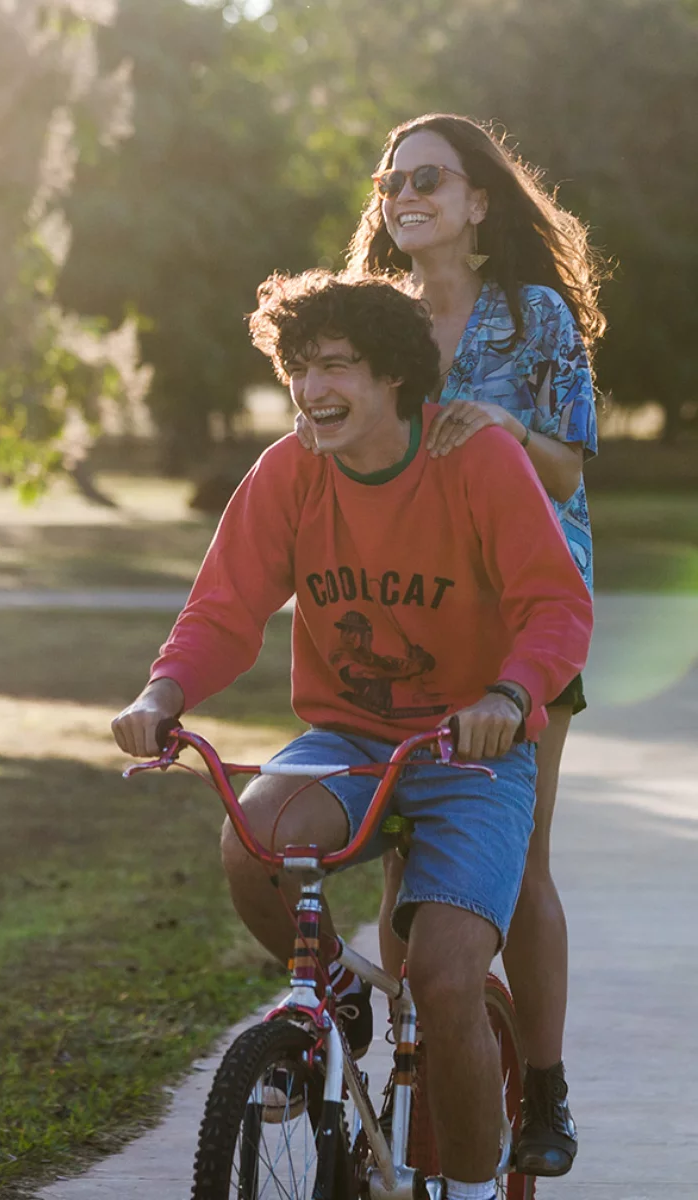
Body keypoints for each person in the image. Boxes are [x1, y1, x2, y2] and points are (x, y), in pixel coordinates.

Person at [112, 270, 592, 1200]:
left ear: (395, 381)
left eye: (336, 366)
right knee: (254, 837)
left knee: (447, 981)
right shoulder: (289, 472)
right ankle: (330, 1000)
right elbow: (224, 610)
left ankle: (466, 1187)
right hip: (346, 738)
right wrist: (162, 693)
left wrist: (507, 694)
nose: (310, 387)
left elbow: (554, 607)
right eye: (299, 366)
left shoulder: (479, 465)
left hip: (472, 751)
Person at [295, 113, 603, 1178]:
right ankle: (429, 1064)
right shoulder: (374, 320)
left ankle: (548, 1087)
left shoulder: (535, 318)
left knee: (516, 870)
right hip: (407, 618)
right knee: (404, 874)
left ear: (479, 202)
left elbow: (570, 473)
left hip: (523, 619)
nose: (403, 192)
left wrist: (505, 431)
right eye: (389, 179)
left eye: (429, 176)